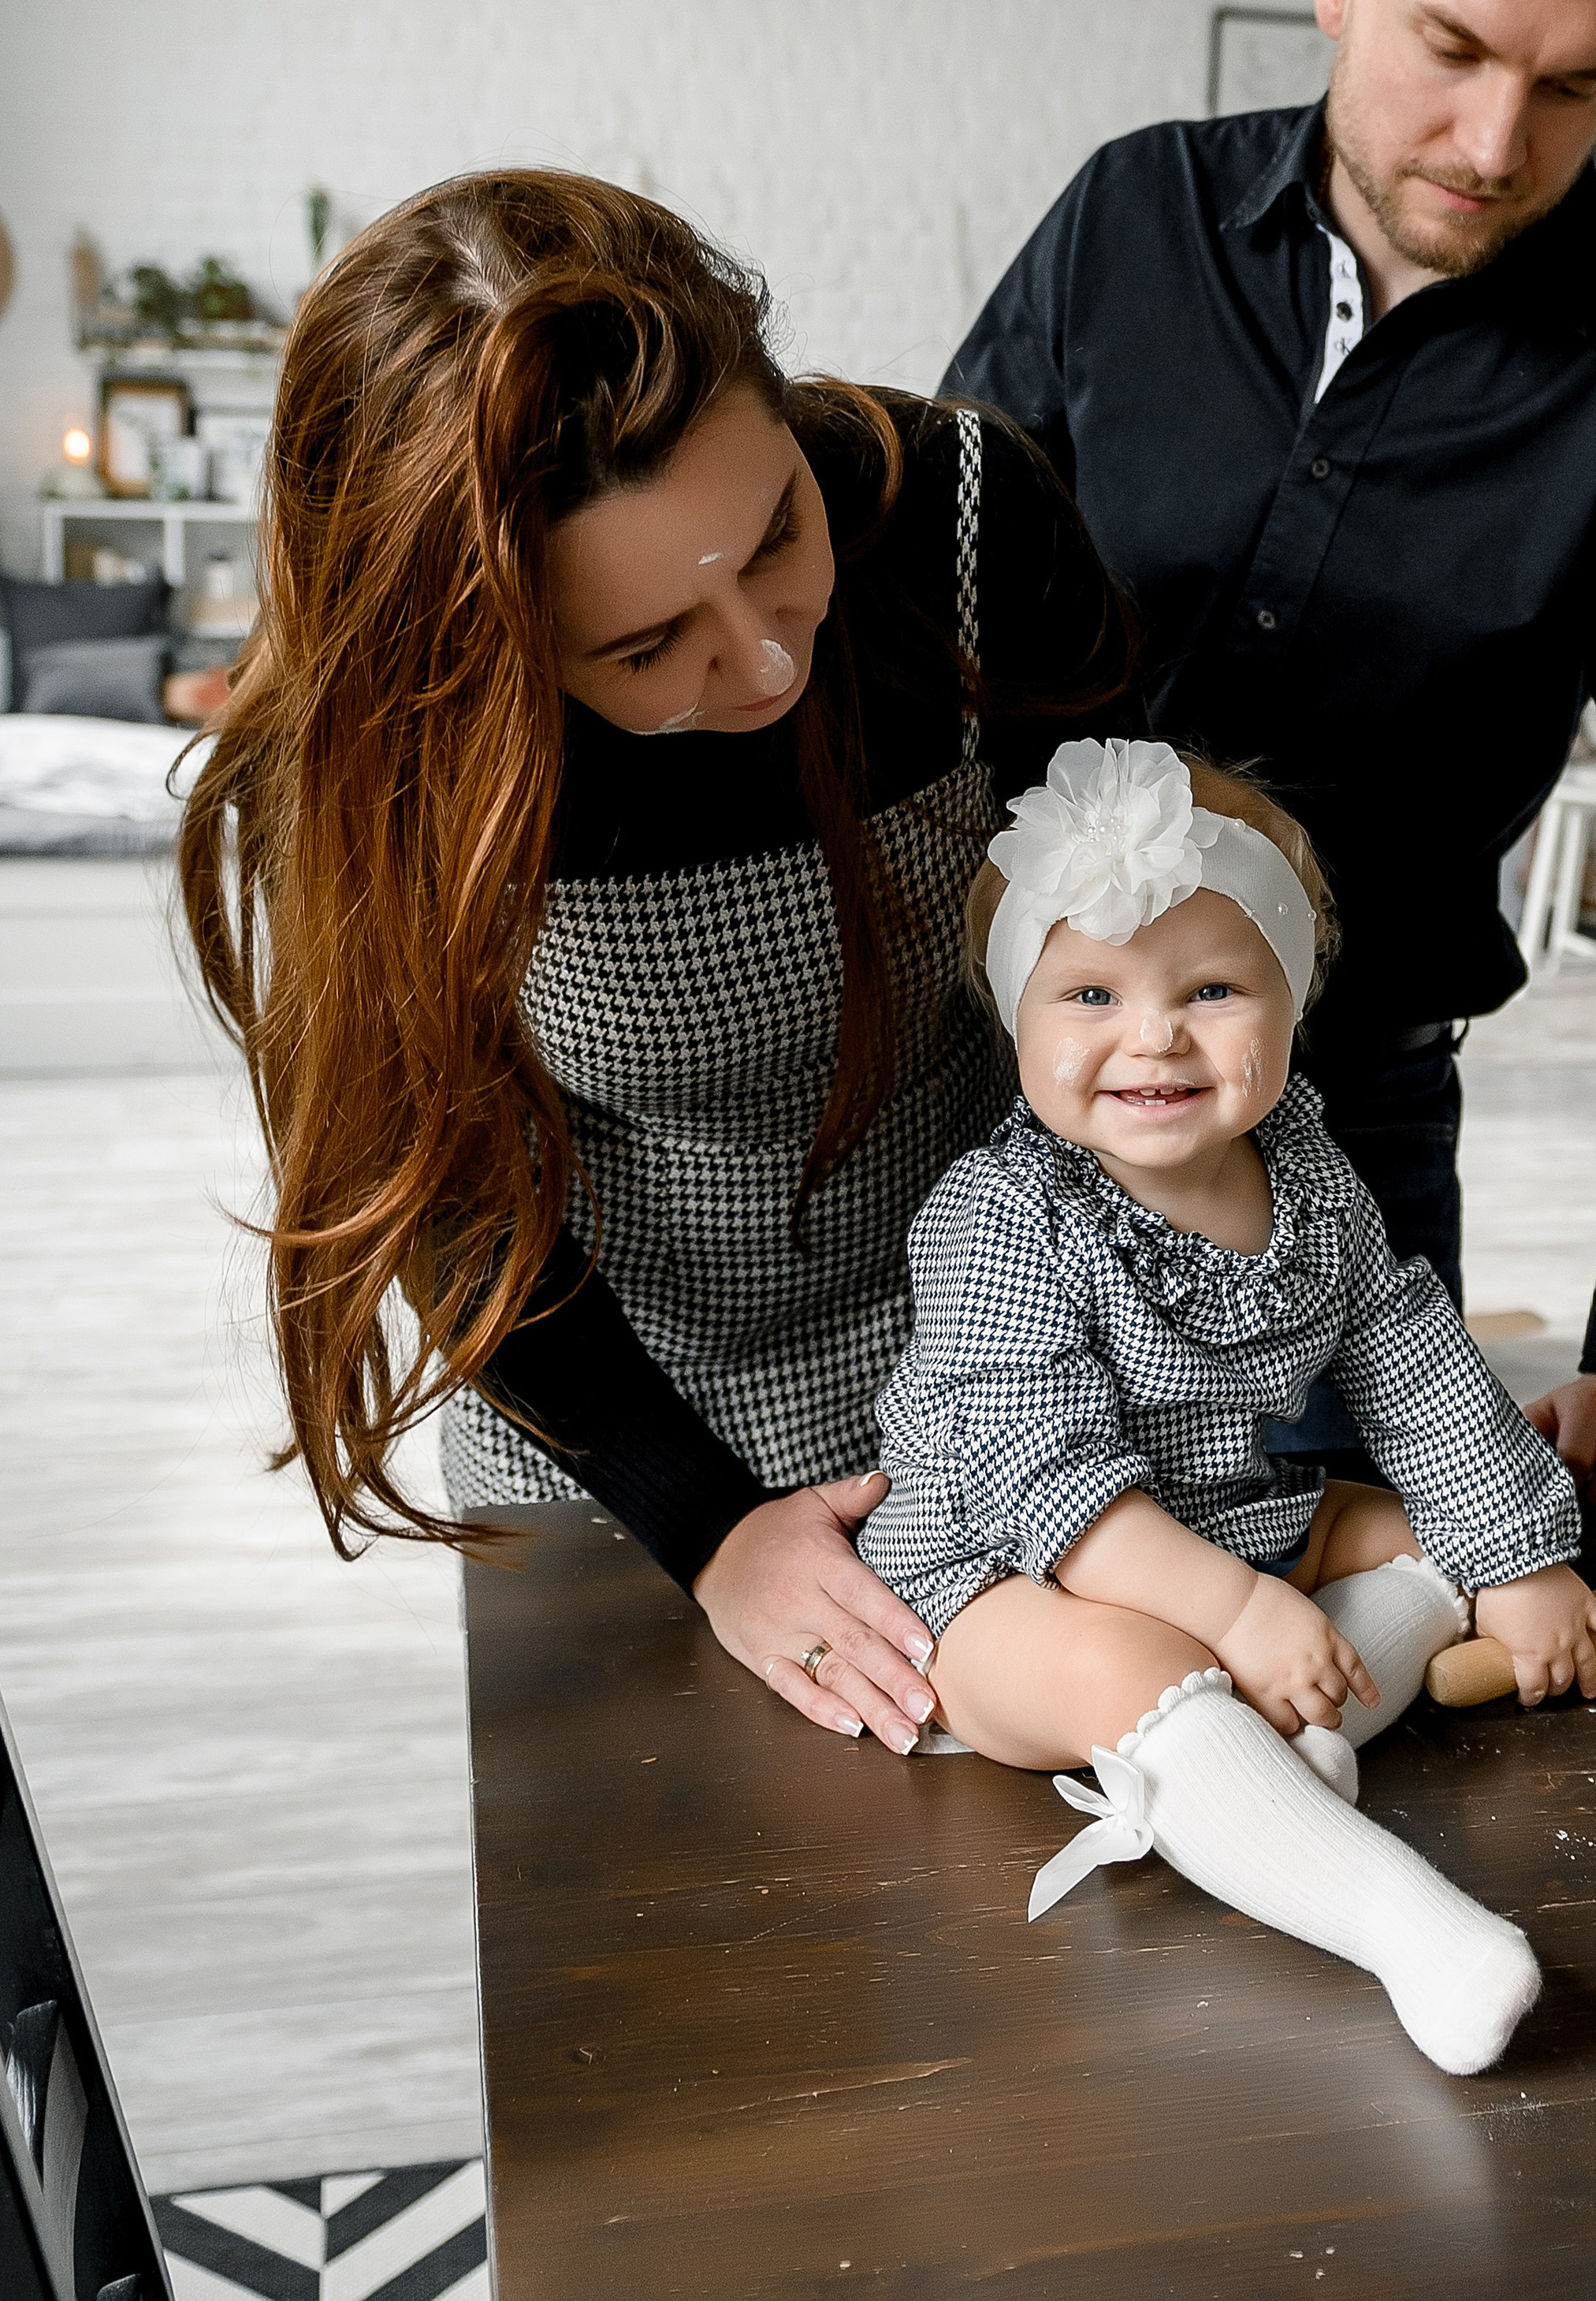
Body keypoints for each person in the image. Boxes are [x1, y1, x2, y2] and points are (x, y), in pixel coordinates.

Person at [180, 171, 1140, 1759]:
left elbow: (1130, 952)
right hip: (612, 1434)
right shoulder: (384, 755)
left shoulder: (963, 516)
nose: (765, 652)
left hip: (994, 1378)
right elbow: (447, 1191)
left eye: (776, 535)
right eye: (644, 650)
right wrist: (705, 1526)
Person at [947, 0, 1596, 1499]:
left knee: (1349, 1674)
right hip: (986, 1095)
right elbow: (904, 597)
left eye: (1576, 84)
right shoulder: (1128, 215)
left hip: (1345, 1138)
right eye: (1452, 46)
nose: (1496, 140)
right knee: (974, 1658)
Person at [858, 737, 1596, 2076]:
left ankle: (1262, 1774)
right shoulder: (1000, 1217)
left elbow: (1416, 1363)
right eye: (1088, 993)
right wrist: (1238, 1609)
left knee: (1426, 1525)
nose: (1152, 1035)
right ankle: (1410, 1930)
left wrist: (1521, 1562)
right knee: (1137, 1668)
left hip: (1230, 1521)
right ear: (1014, 1022)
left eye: (1211, 989)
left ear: (1292, 999)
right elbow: (1044, 1483)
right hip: (1001, 1582)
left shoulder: (1310, 1177)